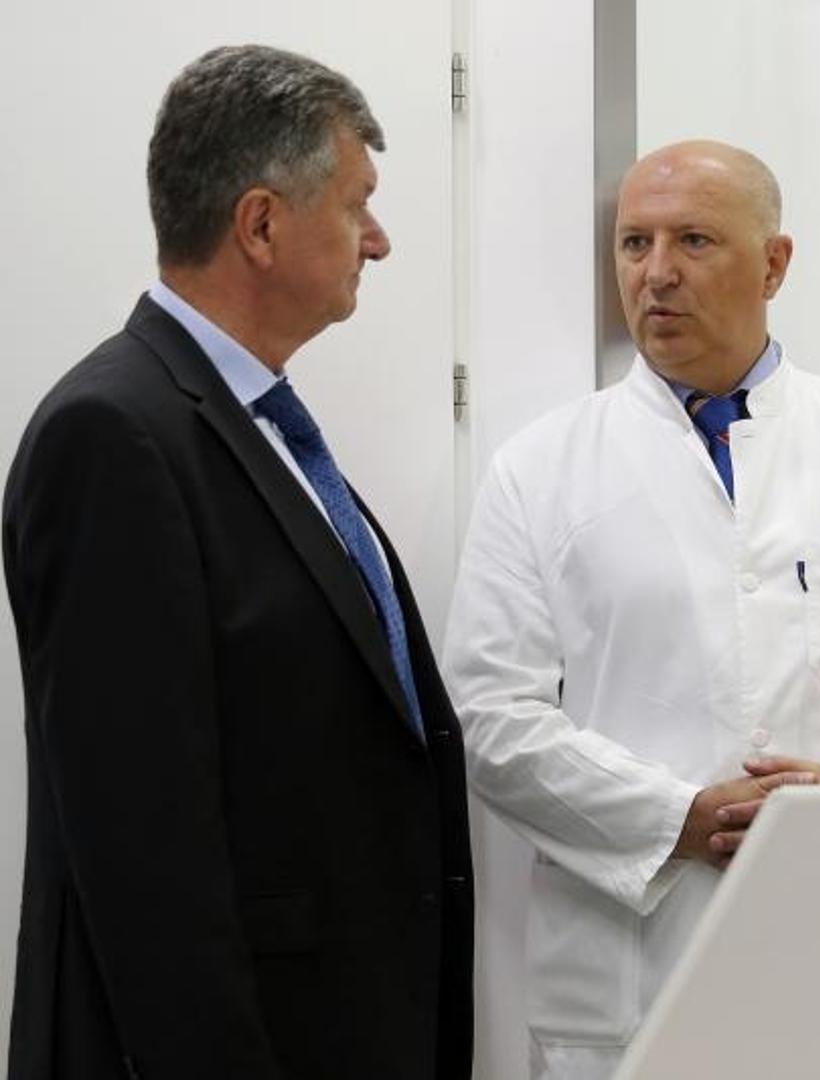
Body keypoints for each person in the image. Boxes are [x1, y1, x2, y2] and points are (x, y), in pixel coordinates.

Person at [444, 139, 820, 1079]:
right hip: (631, 968)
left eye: (694, 240)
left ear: (774, 264)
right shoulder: (538, 469)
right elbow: (490, 717)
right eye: (633, 243)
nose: (656, 273)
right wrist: (678, 817)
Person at [3, 45, 473, 1079]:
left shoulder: (253, 424)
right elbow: (142, 845)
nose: (379, 240)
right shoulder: (114, 435)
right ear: (260, 225)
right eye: (357, 205)